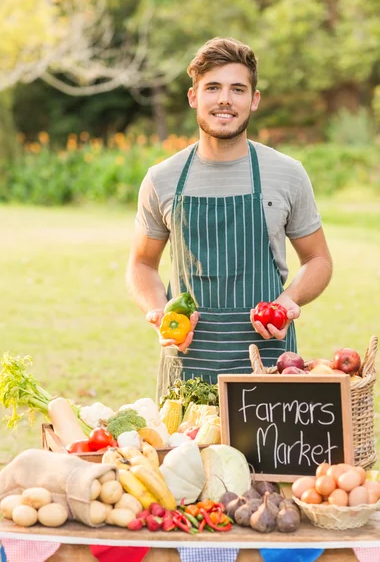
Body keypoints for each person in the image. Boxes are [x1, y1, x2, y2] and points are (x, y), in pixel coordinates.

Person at [126, 37, 333, 401]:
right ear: (194, 97)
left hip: (268, 360)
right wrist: (159, 312)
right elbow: (142, 263)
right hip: (188, 360)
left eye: (237, 89)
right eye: (213, 88)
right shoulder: (162, 178)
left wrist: (288, 301)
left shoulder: (287, 174)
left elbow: (318, 259)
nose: (225, 99)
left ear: (253, 100)